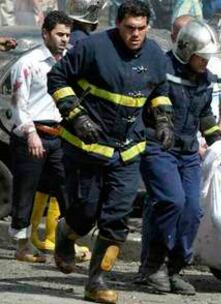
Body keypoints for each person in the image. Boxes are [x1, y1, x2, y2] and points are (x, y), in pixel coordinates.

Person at [47, 1, 174, 303]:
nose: (136, 34)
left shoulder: (155, 55)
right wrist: (77, 116)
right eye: (130, 28)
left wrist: (165, 120)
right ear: (118, 24)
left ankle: (97, 282)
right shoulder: (92, 48)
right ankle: (67, 232)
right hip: (87, 147)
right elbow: (57, 79)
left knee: (117, 218)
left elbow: (159, 91)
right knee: (85, 212)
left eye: (142, 28)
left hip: (128, 150)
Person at [138, 20, 221, 296]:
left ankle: (174, 268)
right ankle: (153, 266)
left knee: (192, 210)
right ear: (186, 50)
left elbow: (204, 114)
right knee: (171, 201)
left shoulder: (204, 79)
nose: (205, 63)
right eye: (202, 57)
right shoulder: (161, 69)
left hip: (187, 152)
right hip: (158, 147)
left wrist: (218, 142)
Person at [9, 10, 72, 263]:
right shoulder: (28, 63)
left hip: (59, 136)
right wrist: (31, 134)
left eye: (67, 34)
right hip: (30, 135)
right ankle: (23, 246)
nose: (64, 39)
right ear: (45, 33)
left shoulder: (70, 61)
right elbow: (18, 105)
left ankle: (65, 241)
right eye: (59, 34)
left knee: (67, 188)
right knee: (25, 191)